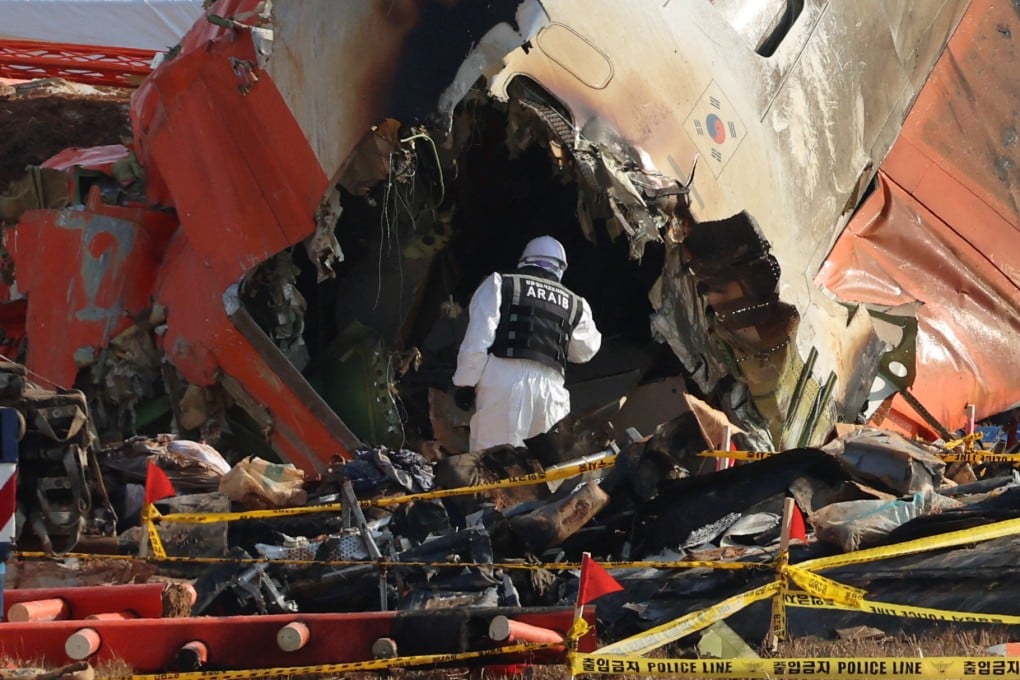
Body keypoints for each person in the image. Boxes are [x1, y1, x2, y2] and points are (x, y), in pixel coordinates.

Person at [452, 235, 602, 451]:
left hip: (502, 382)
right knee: (542, 470)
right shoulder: (577, 304)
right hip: (550, 391)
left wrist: (466, 382)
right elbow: (586, 350)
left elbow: (477, 339)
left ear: (525, 260)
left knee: (490, 462)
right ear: (560, 269)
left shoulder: (500, 283)